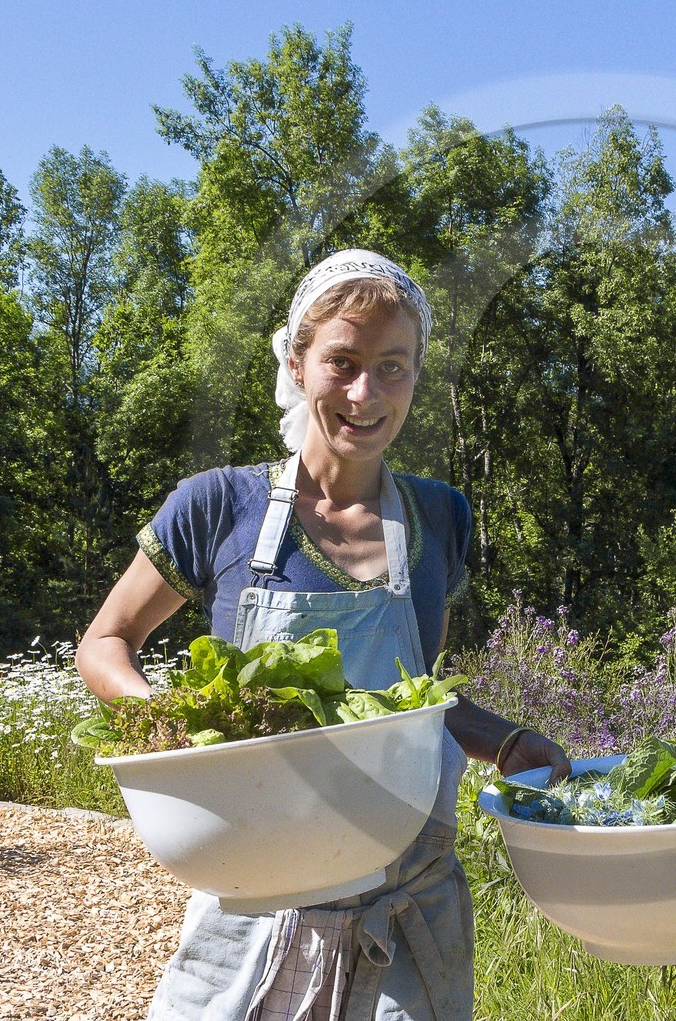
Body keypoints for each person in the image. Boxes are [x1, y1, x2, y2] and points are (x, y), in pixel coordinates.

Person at [75, 249, 570, 1021]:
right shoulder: (219, 505)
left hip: (407, 913)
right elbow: (105, 643)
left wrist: (508, 743)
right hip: (257, 900)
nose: (367, 393)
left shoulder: (440, 518)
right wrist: (170, 721)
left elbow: (419, 699)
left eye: (393, 367)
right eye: (342, 361)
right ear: (298, 363)